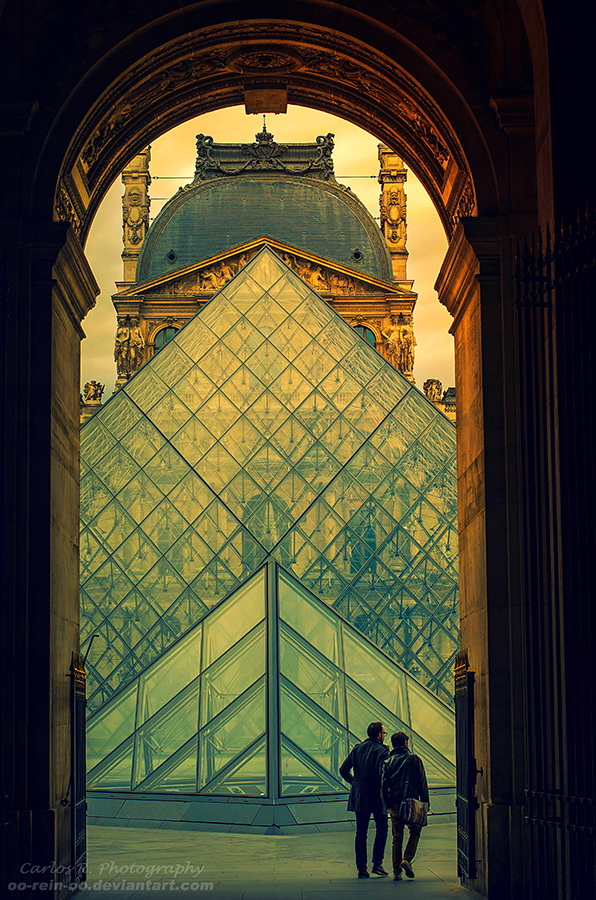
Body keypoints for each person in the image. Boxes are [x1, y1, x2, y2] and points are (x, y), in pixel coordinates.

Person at [339, 722, 390, 878]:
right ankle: (377, 863)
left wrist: (354, 782)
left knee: (361, 832)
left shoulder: (357, 749)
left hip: (359, 794)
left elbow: (343, 770)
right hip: (376, 795)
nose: (384, 735)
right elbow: (384, 775)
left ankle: (361, 868)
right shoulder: (382, 751)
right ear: (378, 735)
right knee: (382, 827)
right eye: (384, 733)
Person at [381, 731, 429, 881]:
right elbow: (422, 783)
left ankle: (396, 871)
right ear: (405, 743)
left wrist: (387, 805)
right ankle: (407, 859)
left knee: (397, 836)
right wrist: (425, 803)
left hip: (395, 803)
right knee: (415, 831)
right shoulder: (414, 759)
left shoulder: (388, 762)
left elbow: (383, 785)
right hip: (412, 802)